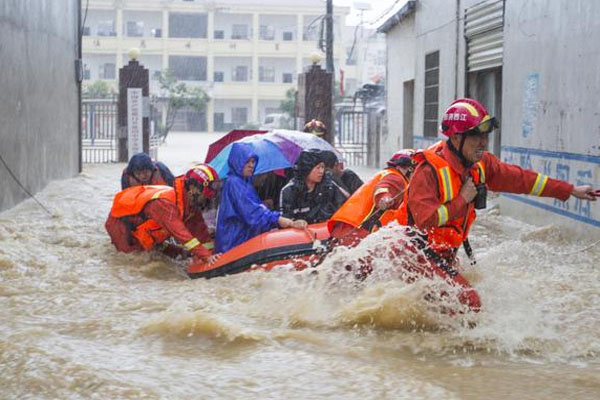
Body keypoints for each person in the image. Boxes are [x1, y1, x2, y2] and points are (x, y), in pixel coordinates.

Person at [395, 98, 596, 310]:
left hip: (442, 255)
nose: (483, 142)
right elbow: (424, 219)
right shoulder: (428, 171)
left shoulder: (481, 163)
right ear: (455, 137)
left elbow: (522, 180)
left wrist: (569, 189)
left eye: (485, 136)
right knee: (470, 303)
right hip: (415, 254)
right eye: (476, 136)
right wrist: (462, 200)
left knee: (443, 308)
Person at [105, 164, 220, 264]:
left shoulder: (189, 205)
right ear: (193, 189)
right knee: (134, 259)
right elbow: (181, 234)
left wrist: (210, 251)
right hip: (120, 224)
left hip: (144, 225)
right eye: (204, 196)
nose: (206, 200)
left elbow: (199, 230)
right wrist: (207, 257)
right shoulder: (166, 204)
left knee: (176, 253)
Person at [215, 142, 307, 254]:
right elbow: (253, 214)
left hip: (241, 239)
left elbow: (255, 209)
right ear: (238, 161)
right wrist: (280, 220)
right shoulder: (234, 183)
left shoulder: (244, 184)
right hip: (234, 242)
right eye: (247, 161)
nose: (251, 165)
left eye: (253, 162)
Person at [328, 149, 416, 246]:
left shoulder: (385, 174)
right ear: (405, 168)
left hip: (347, 228)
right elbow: (383, 188)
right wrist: (384, 198)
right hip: (359, 233)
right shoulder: (396, 178)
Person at [279, 149, 347, 224]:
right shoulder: (289, 190)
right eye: (318, 168)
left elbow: (343, 207)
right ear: (307, 169)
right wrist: (295, 223)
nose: (321, 171)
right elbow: (284, 220)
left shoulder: (328, 185)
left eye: (323, 167)